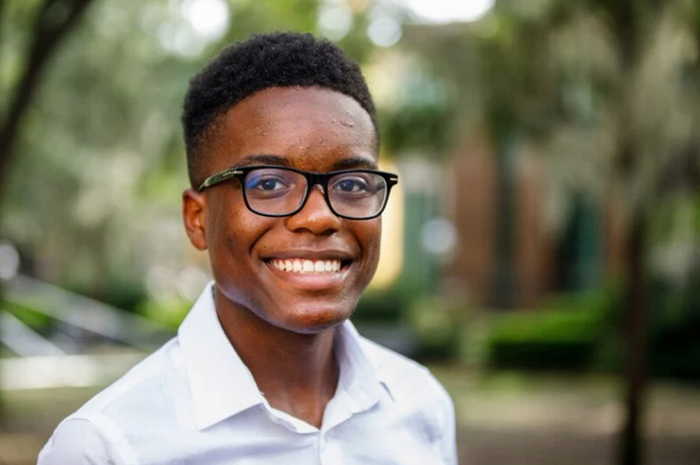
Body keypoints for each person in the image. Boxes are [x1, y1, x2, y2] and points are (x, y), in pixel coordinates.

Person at [38, 31, 457, 464]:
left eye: (351, 184)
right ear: (197, 219)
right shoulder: (109, 446)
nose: (319, 217)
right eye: (268, 183)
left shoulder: (420, 406)